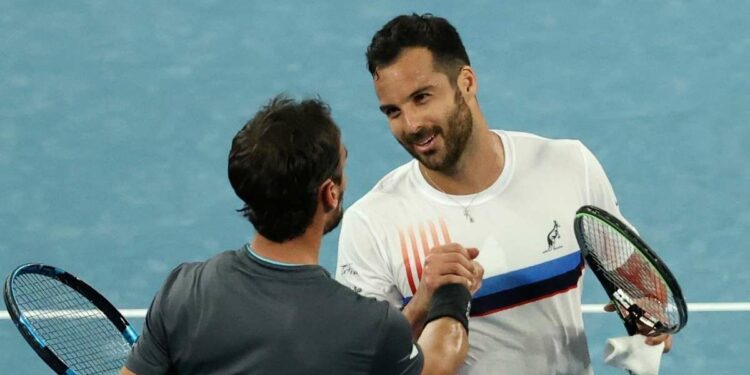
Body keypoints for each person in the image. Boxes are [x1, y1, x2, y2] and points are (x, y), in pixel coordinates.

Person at [335, 14, 672, 374]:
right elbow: (359, 364)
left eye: (422, 98)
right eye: (393, 111)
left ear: (466, 82)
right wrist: (422, 303)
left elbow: (640, 281)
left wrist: (650, 311)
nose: (412, 124)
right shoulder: (372, 223)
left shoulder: (569, 167)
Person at [120, 95, 473, 375]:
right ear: (329, 194)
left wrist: (417, 307)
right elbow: (436, 364)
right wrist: (450, 293)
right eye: (343, 165)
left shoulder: (183, 291)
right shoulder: (368, 327)